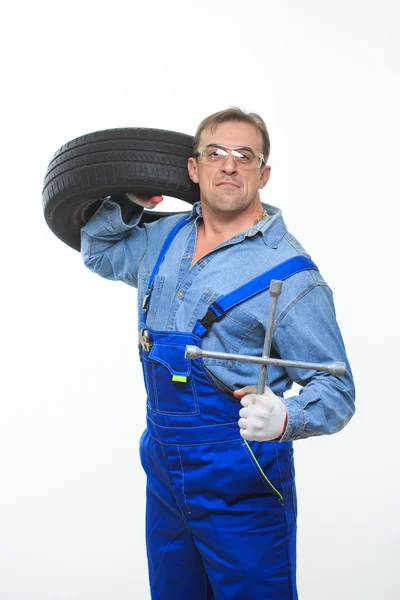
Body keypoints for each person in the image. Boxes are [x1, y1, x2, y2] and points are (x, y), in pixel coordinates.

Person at [81, 107, 355, 599]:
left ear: (262, 174)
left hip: (241, 478)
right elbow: (99, 252)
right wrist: (128, 201)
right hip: (164, 468)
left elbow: (338, 390)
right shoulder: (163, 238)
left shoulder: (291, 276)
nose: (228, 165)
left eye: (243, 156)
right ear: (193, 169)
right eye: (215, 154)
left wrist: (286, 417)